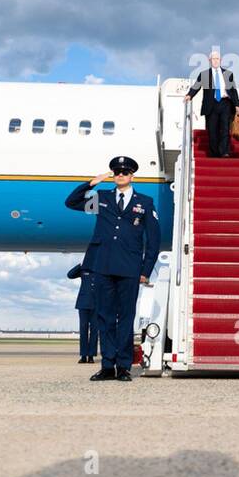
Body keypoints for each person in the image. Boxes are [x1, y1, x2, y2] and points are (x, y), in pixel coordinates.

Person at [64, 156, 161, 382]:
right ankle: (107, 365)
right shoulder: (102, 198)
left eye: (124, 172)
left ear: (131, 176)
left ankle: (123, 366)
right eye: (116, 172)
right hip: (103, 266)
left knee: (126, 318)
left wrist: (145, 270)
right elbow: (71, 202)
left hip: (130, 268)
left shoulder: (144, 203)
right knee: (104, 317)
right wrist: (92, 183)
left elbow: (153, 240)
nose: (120, 175)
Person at [184, 49, 239, 158]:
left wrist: (237, 104)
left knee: (225, 128)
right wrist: (189, 95)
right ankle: (215, 153)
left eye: (217, 59)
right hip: (211, 104)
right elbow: (196, 86)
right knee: (212, 130)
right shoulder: (204, 74)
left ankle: (224, 152)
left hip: (225, 103)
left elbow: (233, 90)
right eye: (213, 59)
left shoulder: (228, 74)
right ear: (209, 60)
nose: (215, 61)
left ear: (221, 60)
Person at [68, 262, 99, 363]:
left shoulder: (100, 268)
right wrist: (80, 265)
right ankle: (83, 355)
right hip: (83, 303)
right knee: (83, 330)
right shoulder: (83, 270)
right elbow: (70, 275)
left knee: (94, 331)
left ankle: (91, 356)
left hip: (96, 304)